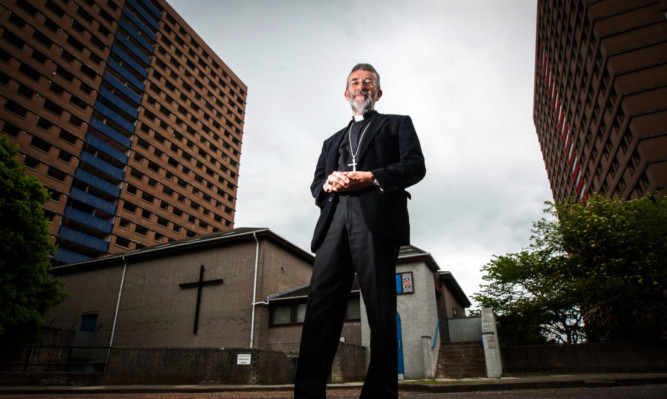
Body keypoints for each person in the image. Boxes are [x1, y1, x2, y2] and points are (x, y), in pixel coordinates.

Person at [294, 63, 426, 399]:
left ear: (377, 93)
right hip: (335, 219)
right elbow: (315, 185)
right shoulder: (331, 141)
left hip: (376, 216)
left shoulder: (397, 124)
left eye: (368, 82)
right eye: (355, 82)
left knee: (380, 310)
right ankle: (308, 393)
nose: (361, 86)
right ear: (346, 93)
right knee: (320, 309)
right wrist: (328, 182)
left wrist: (371, 176)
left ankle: (380, 394)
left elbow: (415, 166)